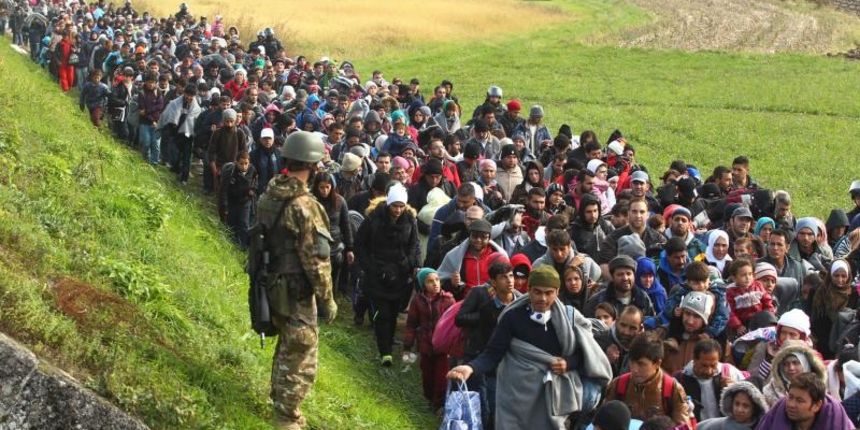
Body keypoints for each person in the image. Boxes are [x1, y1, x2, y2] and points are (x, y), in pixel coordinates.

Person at [447, 265, 613, 430]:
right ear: (529, 290)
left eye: (548, 293)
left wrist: (568, 363)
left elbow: (585, 354)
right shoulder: (512, 317)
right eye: (537, 292)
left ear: (557, 292)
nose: (543, 298)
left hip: (552, 396)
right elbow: (492, 353)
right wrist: (470, 368)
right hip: (516, 394)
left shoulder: (569, 319)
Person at [254, 131, 337, 429]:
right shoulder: (304, 205)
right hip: (296, 291)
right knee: (301, 355)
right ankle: (286, 418)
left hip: (271, 285)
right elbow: (316, 260)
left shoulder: (270, 194)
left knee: (287, 348)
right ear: (313, 166)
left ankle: (277, 398)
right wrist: (327, 299)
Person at [354, 183, 420, 366]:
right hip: (377, 272)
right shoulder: (374, 219)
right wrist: (370, 267)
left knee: (393, 312)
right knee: (381, 313)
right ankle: (385, 351)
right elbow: (360, 244)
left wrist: (411, 264)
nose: (398, 210)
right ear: (388, 204)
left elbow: (414, 245)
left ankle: (389, 341)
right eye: (395, 206)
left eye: (401, 206)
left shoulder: (409, 220)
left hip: (399, 273)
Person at [455, 258, 523, 428]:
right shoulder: (486, 306)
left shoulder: (522, 303)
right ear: (493, 281)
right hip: (489, 363)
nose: (510, 281)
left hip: (515, 364)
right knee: (488, 406)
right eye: (503, 277)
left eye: (511, 276)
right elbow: (485, 338)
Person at [603, 333, 691, 425]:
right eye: (632, 362)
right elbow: (603, 423)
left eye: (641, 364)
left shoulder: (673, 389)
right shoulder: (618, 385)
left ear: (657, 363)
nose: (634, 369)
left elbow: (682, 426)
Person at [402, 268, 454, 411]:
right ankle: (430, 399)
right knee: (427, 376)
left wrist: (452, 345)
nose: (435, 284)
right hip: (425, 345)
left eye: (437, 280)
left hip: (443, 347)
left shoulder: (448, 299)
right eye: (430, 281)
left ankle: (438, 404)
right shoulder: (417, 301)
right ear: (423, 284)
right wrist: (407, 346)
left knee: (441, 378)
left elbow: (454, 324)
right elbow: (411, 324)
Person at [672, 340, 748, 422]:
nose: (708, 371)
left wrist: (734, 390)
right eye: (704, 365)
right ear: (694, 359)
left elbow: (748, 398)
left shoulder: (730, 373)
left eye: (713, 365)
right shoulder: (680, 379)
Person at [757, 372, 853, 430]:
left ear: (816, 405)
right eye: (790, 397)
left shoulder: (835, 421)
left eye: (800, 401)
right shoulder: (777, 413)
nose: (791, 404)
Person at [311, 173, 354, 296]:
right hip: (315, 245)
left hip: (335, 245)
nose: (325, 191)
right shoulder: (311, 202)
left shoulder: (340, 201)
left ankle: (332, 297)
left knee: (334, 276)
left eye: (327, 187)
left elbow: (346, 225)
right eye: (321, 187)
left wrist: (350, 248)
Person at [810, 260, 857, 359]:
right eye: (836, 275)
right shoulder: (819, 292)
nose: (840, 280)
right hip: (820, 341)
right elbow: (811, 316)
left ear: (848, 276)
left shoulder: (854, 294)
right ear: (830, 275)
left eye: (843, 276)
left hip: (843, 343)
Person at [158, 84, 202, 186]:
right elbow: (167, 115)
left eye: (191, 96)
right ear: (184, 93)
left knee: (187, 157)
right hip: (174, 132)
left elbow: (196, 123)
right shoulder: (174, 103)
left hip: (188, 135)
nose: (189, 97)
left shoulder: (197, 109)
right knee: (175, 154)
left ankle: (184, 178)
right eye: (187, 94)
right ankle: (175, 169)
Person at [585, 255, 656, 318]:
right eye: (620, 274)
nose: (625, 278)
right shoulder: (598, 301)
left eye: (628, 274)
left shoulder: (643, 298)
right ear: (612, 277)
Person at [761, 341, 826, 407]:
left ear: (805, 363)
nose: (791, 368)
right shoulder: (769, 390)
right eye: (786, 364)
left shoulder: (819, 387)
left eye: (795, 363)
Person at [726, 258, 776, 336]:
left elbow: (767, 301)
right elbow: (730, 312)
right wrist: (738, 325)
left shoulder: (758, 286)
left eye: (750, 274)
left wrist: (769, 314)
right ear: (734, 278)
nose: (748, 277)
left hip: (759, 320)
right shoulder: (731, 292)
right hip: (742, 324)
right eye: (743, 275)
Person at [595, 305, 645, 378]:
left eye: (632, 328)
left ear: (640, 329)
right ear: (616, 322)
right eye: (623, 325)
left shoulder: (644, 347)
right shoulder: (600, 341)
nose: (626, 332)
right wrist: (606, 360)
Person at [220, 152, 257, 249]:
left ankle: (244, 247)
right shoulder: (231, 171)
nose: (244, 166)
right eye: (241, 163)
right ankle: (231, 246)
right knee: (232, 224)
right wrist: (224, 205)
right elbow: (224, 189)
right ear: (236, 162)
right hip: (232, 201)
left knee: (244, 224)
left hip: (245, 202)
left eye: (246, 163)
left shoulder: (252, 170)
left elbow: (255, 183)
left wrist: (252, 191)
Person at [696, 381, 768, 430]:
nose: (739, 410)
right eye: (737, 404)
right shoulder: (717, 426)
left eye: (746, 406)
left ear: (754, 408)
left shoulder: (762, 427)